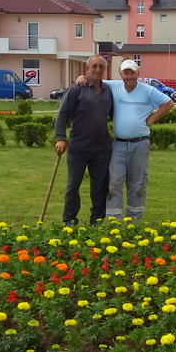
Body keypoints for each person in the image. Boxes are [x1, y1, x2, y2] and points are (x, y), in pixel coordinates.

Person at [79, 59, 174, 221]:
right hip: (119, 144)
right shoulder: (113, 86)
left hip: (140, 144)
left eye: (132, 72)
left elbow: (168, 103)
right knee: (114, 181)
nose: (129, 76)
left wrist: (150, 120)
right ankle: (114, 219)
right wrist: (82, 77)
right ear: (120, 73)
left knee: (137, 183)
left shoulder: (148, 90)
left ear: (138, 73)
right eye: (126, 73)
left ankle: (134, 219)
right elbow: (94, 79)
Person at [53, 55, 114, 225]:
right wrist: (60, 138)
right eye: (94, 66)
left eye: (101, 67)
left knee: (100, 187)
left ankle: (97, 220)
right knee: (73, 186)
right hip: (78, 148)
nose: (97, 69)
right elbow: (62, 115)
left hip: (102, 150)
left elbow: (116, 113)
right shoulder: (76, 89)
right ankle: (69, 220)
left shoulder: (108, 90)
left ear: (104, 69)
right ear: (87, 69)